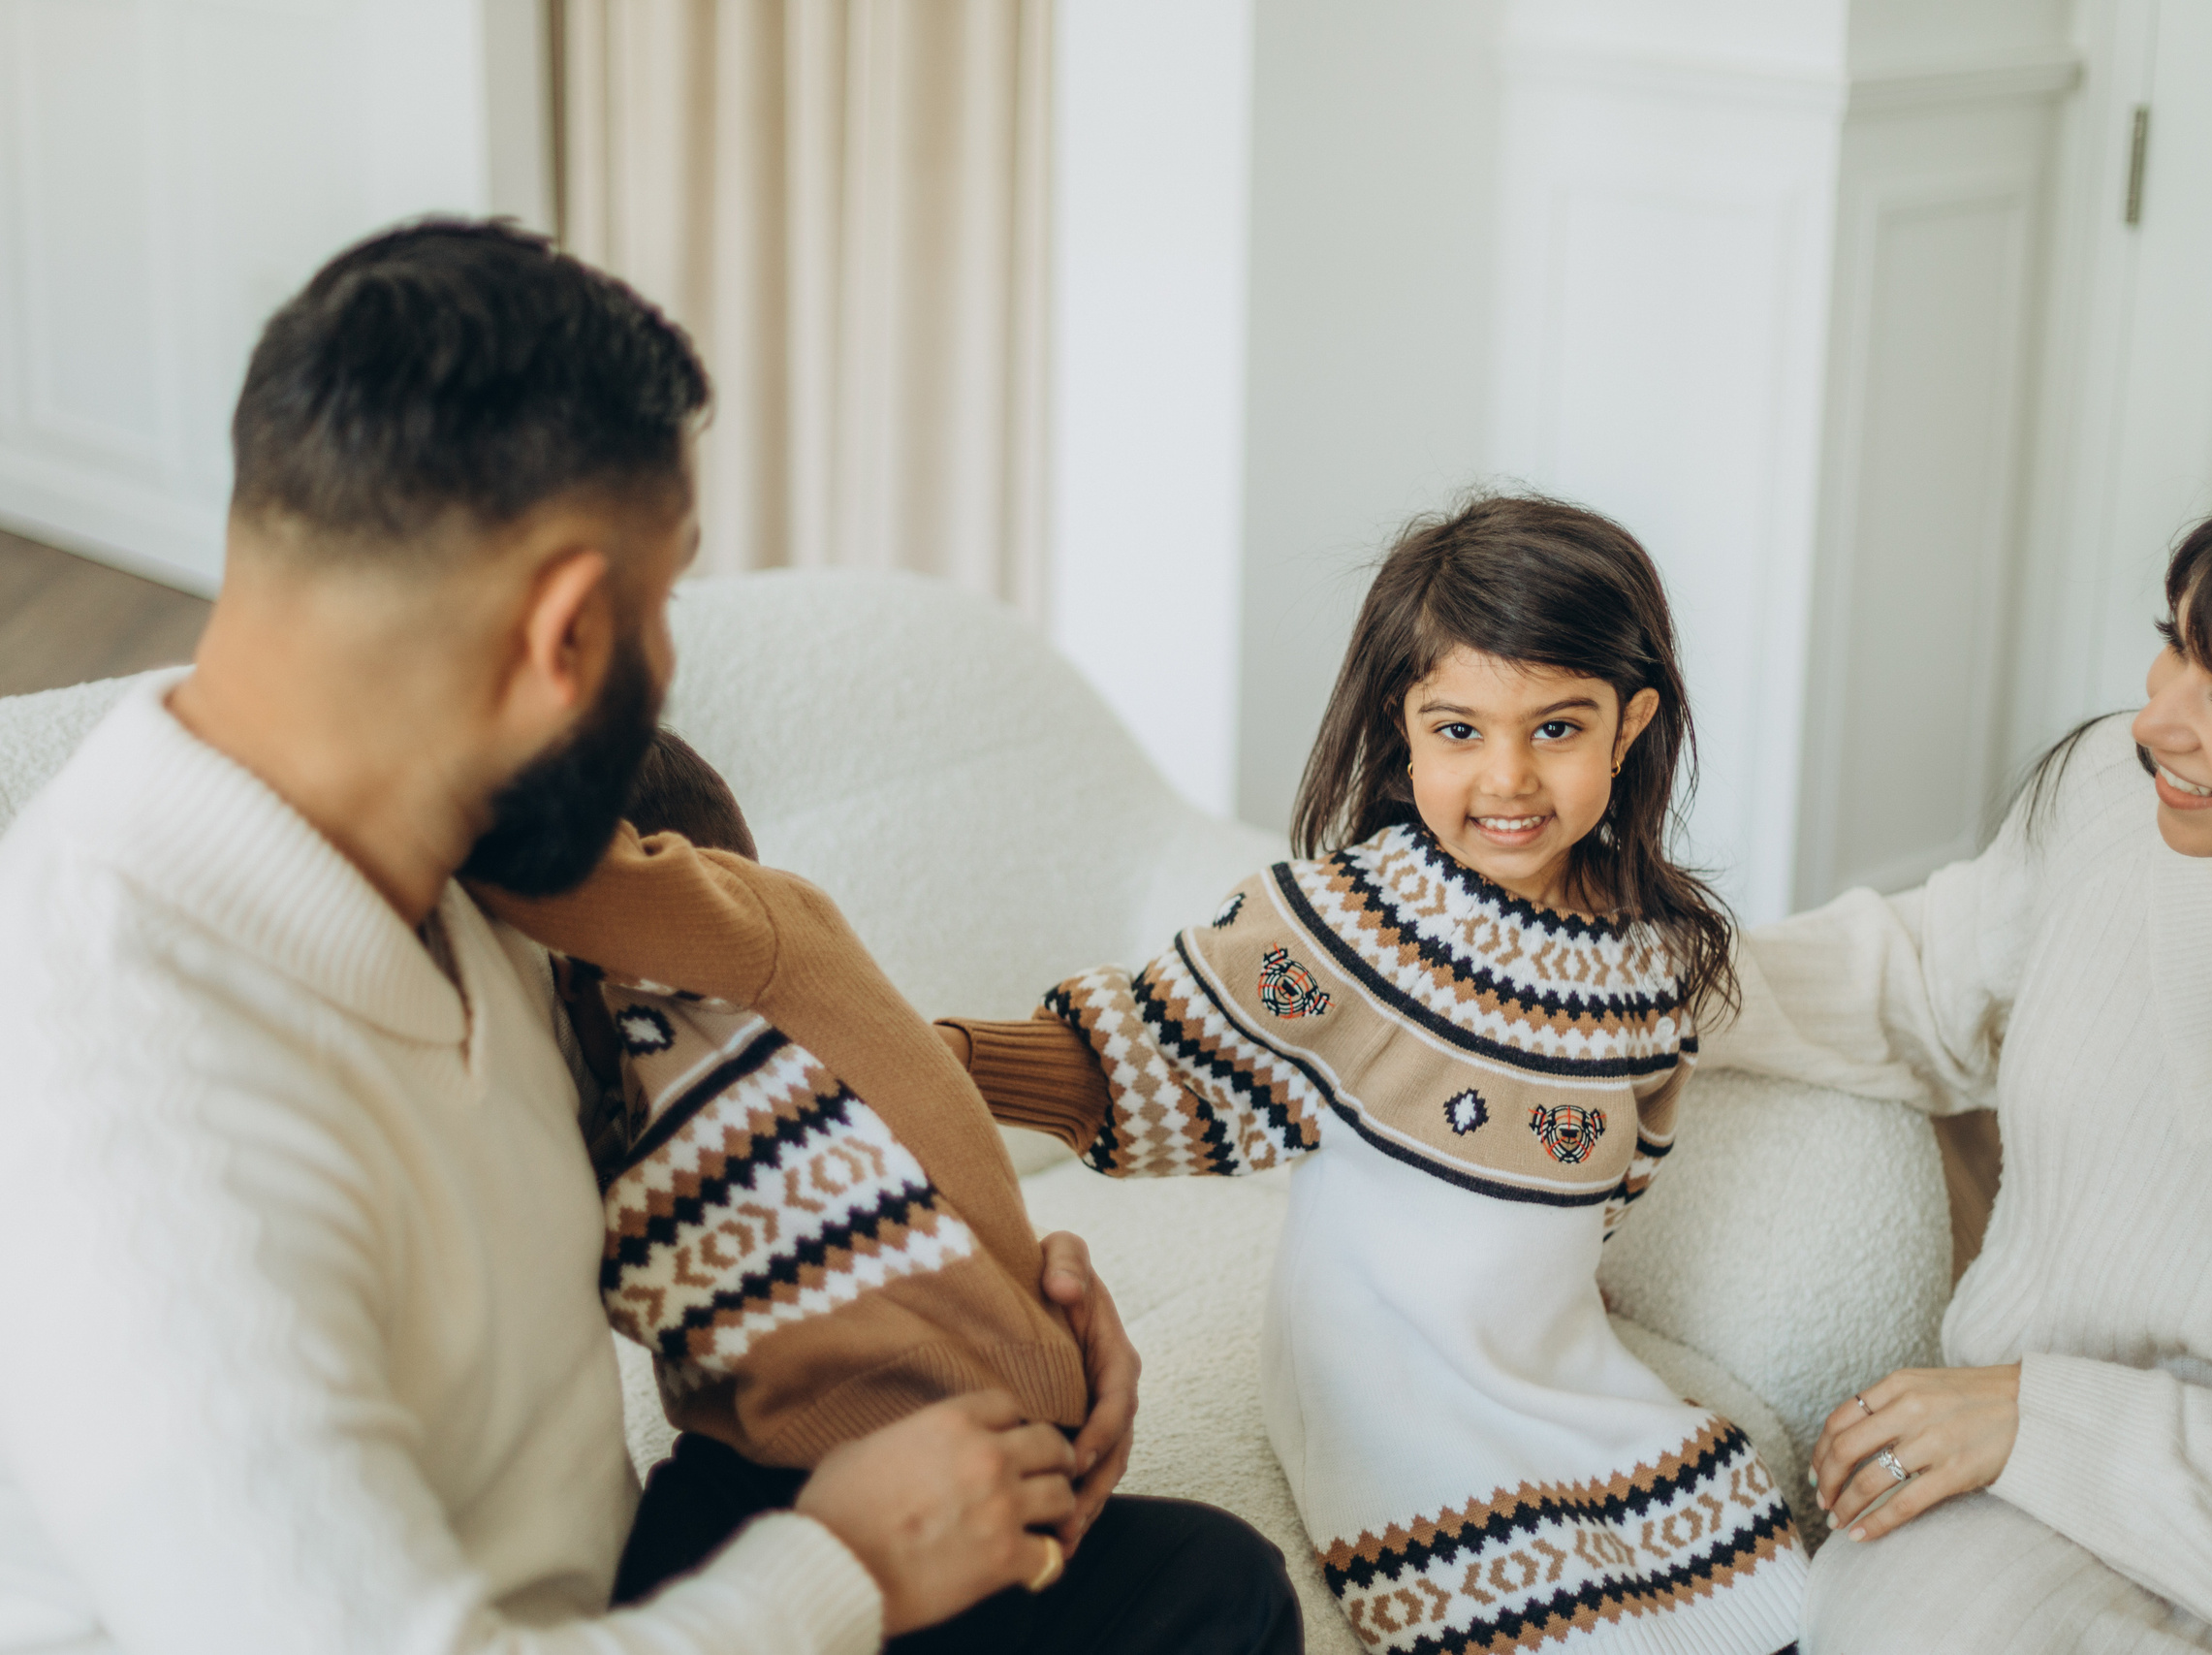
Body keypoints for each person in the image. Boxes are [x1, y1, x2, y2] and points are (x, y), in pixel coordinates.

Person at [0, 218, 1245, 1655]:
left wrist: (975, 1308)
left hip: (625, 1605)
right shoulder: (122, 1095)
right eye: (661, 607)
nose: (665, 668)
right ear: (569, 634)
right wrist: (847, 1562)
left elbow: (719, 1150)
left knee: (1202, 1593)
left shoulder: (463, 864)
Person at [938, 497, 1808, 1654]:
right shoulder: (1345, 925)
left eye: (1557, 729)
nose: (1507, 778)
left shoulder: (1654, 954)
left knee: (1753, 1579)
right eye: (1458, 730)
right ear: (1401, 727)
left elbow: (1623, 1162)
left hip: (1552, 1356)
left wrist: (1559, 1280)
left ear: (1630, 725)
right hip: (1388, 1380)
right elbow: (1157, 1053)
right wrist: (944, 1059)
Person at [1708, 445, 2212, 1652]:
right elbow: (1924, 980)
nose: (2153, 720)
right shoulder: (2109, 811)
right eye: (2171, 642)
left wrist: (2044, 1420)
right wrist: (1637, 985)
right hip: (2011, 1510)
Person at [477, 729, 1300, 1652]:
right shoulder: (640, 1119)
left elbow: (543, 863)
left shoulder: (756, 923)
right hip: (799, 1457)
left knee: (1228, 1578)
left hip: (933, 1439)